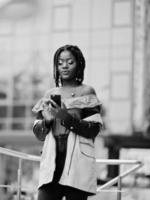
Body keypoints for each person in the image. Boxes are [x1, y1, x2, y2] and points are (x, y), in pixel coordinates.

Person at [32, 45, 103, 200]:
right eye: (60, 62)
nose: (64, 66)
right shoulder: (49, 94)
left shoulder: (87, 92)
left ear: (79, 64)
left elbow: (93, 130)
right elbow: (38, 133)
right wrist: (47, 121)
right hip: (51, 165)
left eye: (70, 62)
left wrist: (65, 117)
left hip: (77, 167)